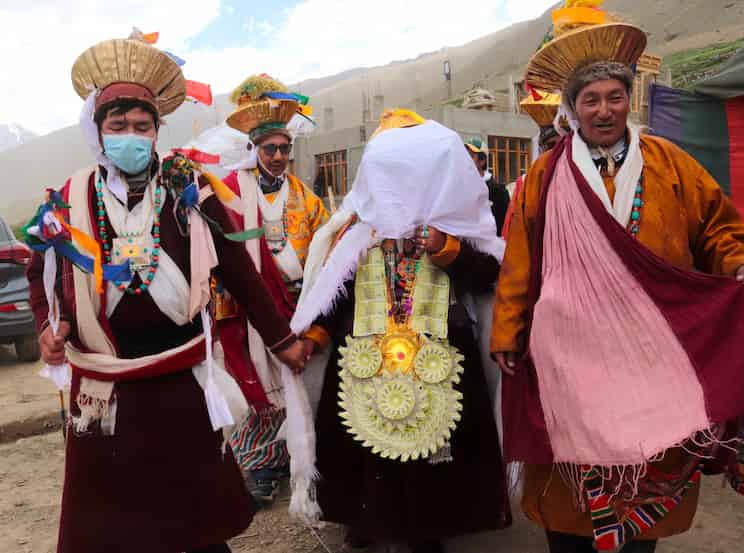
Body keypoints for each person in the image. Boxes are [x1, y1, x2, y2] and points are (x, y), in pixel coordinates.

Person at [492, 2, 744, 553]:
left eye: (614, 97)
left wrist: (737, 263)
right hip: (570, 354)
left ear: (628, 99)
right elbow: (520, 261)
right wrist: (508, 331)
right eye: (591, 100)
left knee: (647, 472)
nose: (604, 110)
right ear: (572, 108)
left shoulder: (670, 163)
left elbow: (717, 228)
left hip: (653, 350)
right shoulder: (545, 174)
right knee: (569, 488)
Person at [26, 31, 306, 553]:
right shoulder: (66, 201)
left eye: (141, 126)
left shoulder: (189, 190)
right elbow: (39, 275)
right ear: (98, 130)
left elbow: (240, 273)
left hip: (179, 381)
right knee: (109, 528)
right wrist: (46, 329)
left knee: (191, 525)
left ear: (156, 130)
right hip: (104, 391)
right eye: (118, 126)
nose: (130, 135)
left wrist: (281, 339)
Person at [291, 109, 510, 553]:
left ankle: (428, 527)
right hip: (365, 357)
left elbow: (489, 277)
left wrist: (447, 250)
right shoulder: (358, 233)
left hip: (441, 356)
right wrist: (314, 335)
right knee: (363, 445)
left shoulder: (455, 226)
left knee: (436, 448)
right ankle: (364, 516)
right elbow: (336, 292)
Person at [215, 74, 329, 505]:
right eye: (270, 149)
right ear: (254, 149)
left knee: (298, 380)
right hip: (250, 306)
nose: (279, 156)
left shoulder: (306, 197)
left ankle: (301, 455)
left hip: (299, 302)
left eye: (284, 148)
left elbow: (324, 246)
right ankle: (261, 467)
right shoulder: (229, 195)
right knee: (256, 380)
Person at [503, 91, 564, 238]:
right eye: (551, 146)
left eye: (562, 145)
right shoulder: (525, 185)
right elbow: (514, 237)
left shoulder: (590, 178)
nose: (556, 153)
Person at [466, 138, 509, 236]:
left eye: (470, 156)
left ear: (482, 161)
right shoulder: (459, 189)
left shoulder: (498, 192)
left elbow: (505, 226)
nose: (465, 160)